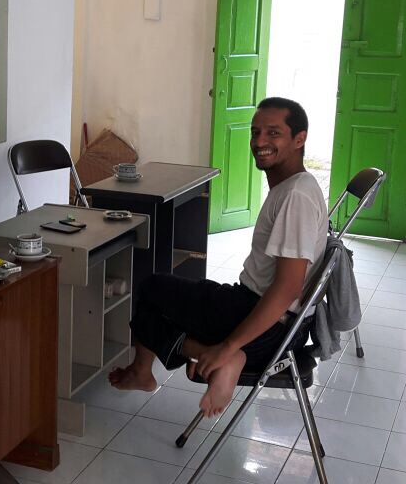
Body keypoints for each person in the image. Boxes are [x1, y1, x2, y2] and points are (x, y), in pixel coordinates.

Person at [109, 97, 328, 418]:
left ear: (299, 139)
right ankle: (156, 367)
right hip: (269, 318)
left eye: (273, 133)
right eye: (255, 132)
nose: (260, 142)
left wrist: (229, 346)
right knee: (156, 295)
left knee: (149, 290)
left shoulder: (296, 196)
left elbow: (287, 289)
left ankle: (217, 359)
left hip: (269, 330)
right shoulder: (294, 186)